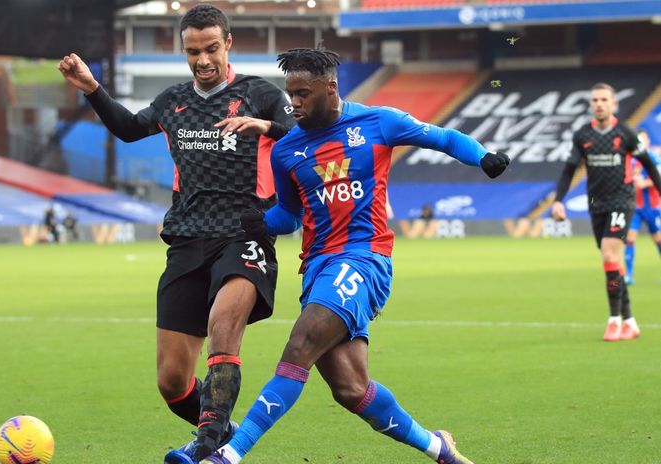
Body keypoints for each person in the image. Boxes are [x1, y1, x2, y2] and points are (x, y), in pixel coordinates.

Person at [201, 46, 509, 464]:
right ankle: (440, 449)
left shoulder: (378, 121)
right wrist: (262, 222)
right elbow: (290, 215)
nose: (294, 103)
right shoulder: (287, 150)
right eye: (290, 93)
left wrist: (483, 157)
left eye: (304, 93)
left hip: (364, 259)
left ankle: (231, 454)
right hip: (317, 268)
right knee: (350, 389)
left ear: (331, 88)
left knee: (301, 343)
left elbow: (443, 137)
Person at [57, 4, 295, 462]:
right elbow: (129, 129)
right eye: (192, 52)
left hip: (244, 234)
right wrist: (92, 88)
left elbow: (305, 133)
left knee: (223, 326)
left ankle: (207, 450)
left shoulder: (261, 94)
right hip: (186, 241)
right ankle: (226, 434)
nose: (203, 60)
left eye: (210, 49)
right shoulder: (173, 101)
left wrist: (268, 126)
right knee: (171, 381)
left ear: (228, 44)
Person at [551, 83, 661, 341]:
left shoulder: (626, 135)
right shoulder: (583, 136)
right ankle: (630, 321)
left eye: (604, 100)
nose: (599, 104)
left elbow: (651, 167)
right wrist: (558, 200)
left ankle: (614, 320)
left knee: (610, 255)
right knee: (614, 263)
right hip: (596, 205)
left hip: (622, 202)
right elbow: (569, 170)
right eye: (595, 100)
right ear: (591, 105)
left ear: (614, 104)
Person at [624, 129, 661, 285]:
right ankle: (629, 275)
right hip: (636, 208)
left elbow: (658, 177)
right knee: (630, 239)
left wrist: (645, 183)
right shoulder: (631, 160)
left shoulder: (653, 158)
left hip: (653, 207)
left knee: (658, 240)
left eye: (643, 140)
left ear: (647, 142)